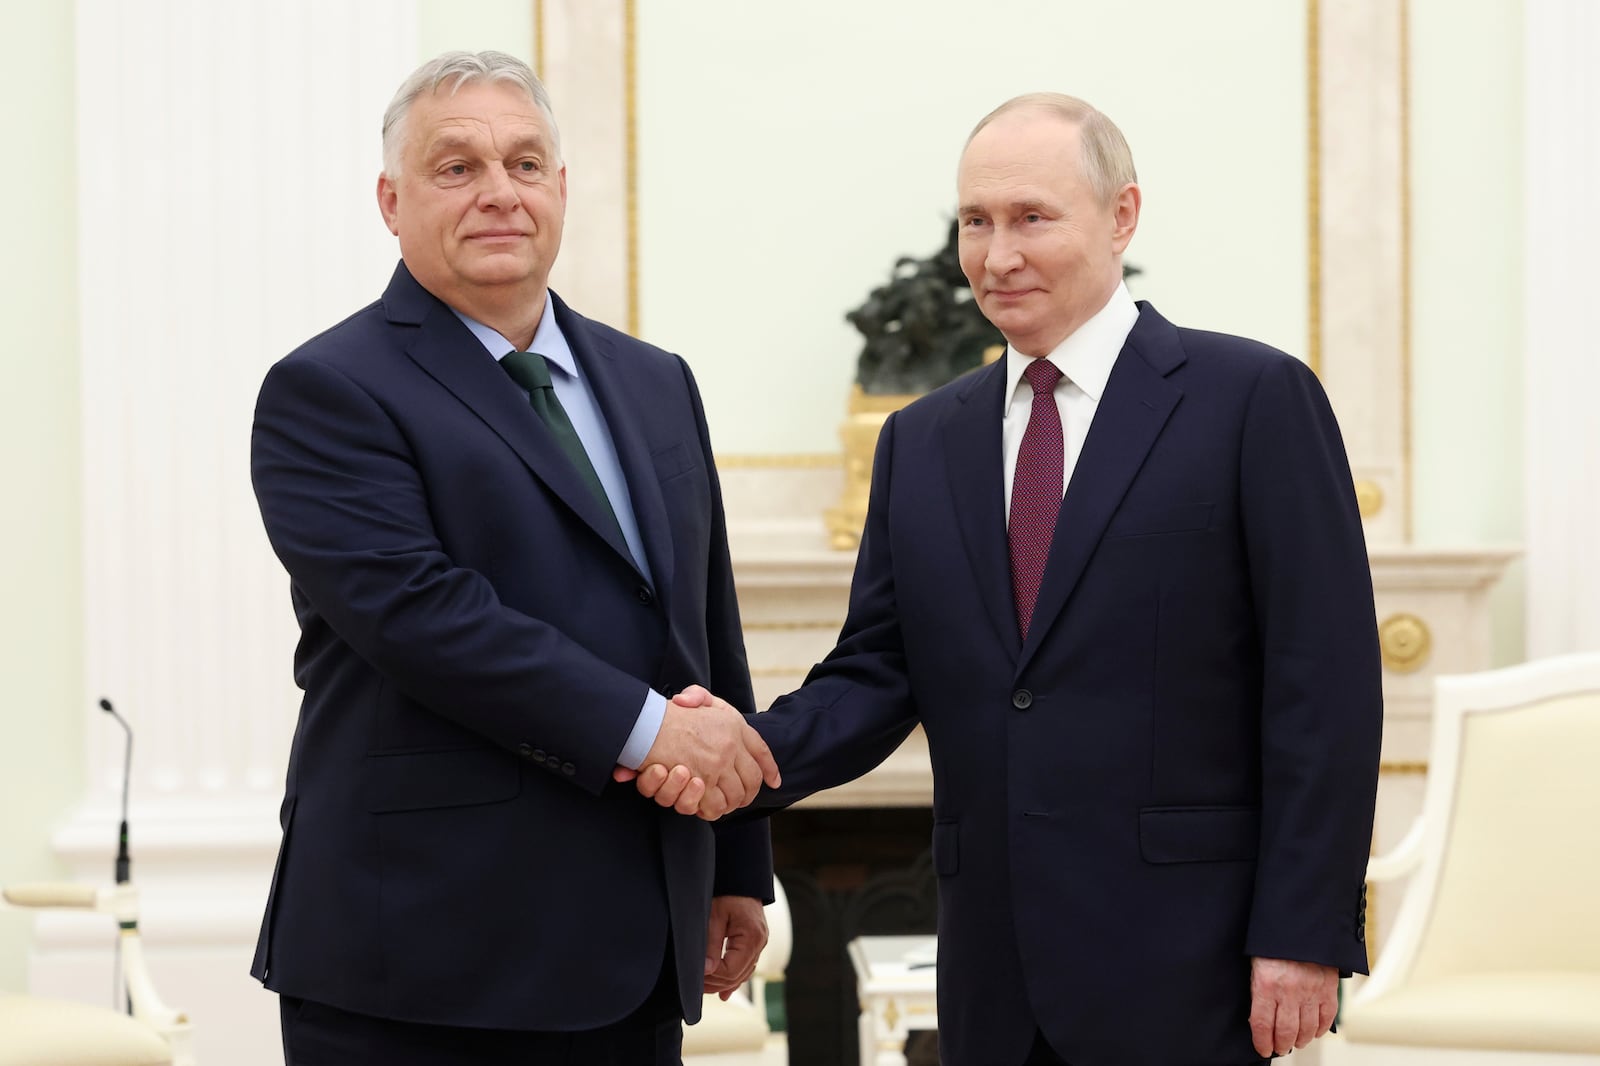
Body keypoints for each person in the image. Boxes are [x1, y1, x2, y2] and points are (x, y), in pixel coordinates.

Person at [625, 93, 1383, 1066]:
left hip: (1191, 964)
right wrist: (731, 755)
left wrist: (1301, 933)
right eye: (974, 222)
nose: (996, 254)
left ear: (1121, 215)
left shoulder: (1253, 401)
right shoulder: (920, 439)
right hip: (995, 972)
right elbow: (874, 673)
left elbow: (1323, 688)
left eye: (1031, 217)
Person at [249, 50, 779, 1066]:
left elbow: (704, 628)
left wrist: (734, 859)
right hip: (420, 964)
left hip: (632, 949)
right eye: (457, 168)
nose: (500, 191)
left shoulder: (656, 380)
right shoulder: (327, 390)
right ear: (390, 201)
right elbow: (423, 615)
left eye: (527, 163)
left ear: (562, 189)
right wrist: (652, 731)